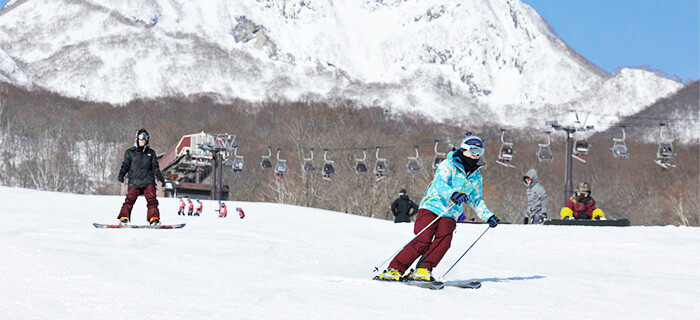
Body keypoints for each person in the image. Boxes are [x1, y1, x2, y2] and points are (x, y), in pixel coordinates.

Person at [378, 133, 500, 282]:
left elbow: (476, 200)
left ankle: (423, 270)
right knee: (423, 239)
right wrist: (453, 194)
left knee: (445, 240)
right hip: (432, 206)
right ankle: (395, 269)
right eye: (474, 151)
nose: (477, 156)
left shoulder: (476, 176)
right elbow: (439, 183)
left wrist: (488, 216)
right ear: (465, 149)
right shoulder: (448, 165)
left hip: (450, 213)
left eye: (480, 152)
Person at [117, 129, 165, 226]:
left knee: (152, 200)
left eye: (146, 138)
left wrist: (160, 177)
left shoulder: (151, 153)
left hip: (148, 181)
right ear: (137, 139)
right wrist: (121, 174)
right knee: (129, 199)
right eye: (142, 137)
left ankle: (154, 219)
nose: (144, 140)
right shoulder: (129, 152)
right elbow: (125, 165)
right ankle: (123, 217)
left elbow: (155, 167)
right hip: (134, 181)